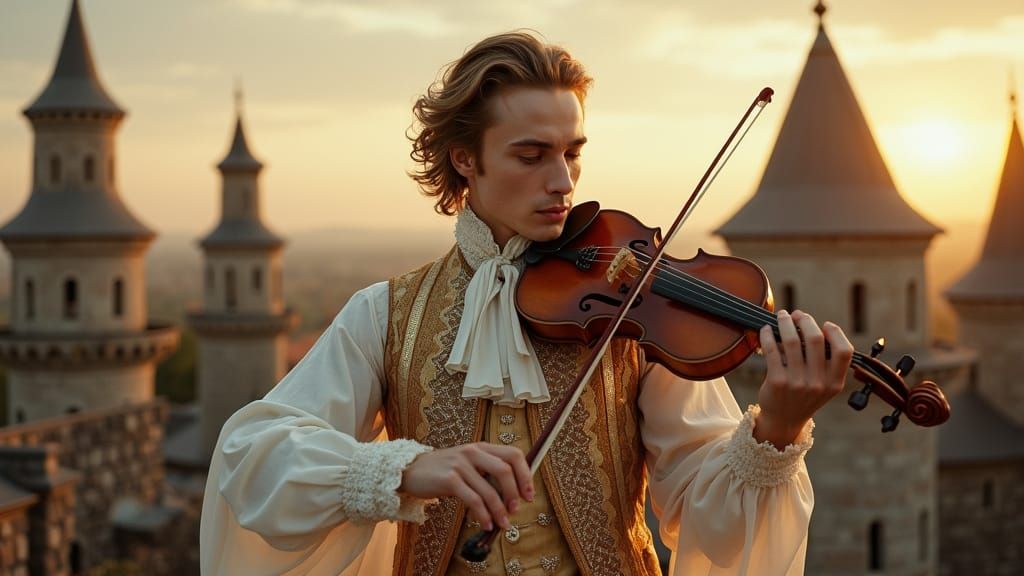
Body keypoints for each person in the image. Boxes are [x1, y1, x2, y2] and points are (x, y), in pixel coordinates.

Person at [199, 31, 853, 576]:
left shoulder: (632, 312)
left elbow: (713, 520)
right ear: (464, 160)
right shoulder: (386, 314)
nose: (564, 181)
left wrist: (778, 428)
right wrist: (408, 467)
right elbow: (254, 453)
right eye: (532, 155)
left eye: (572, 153)